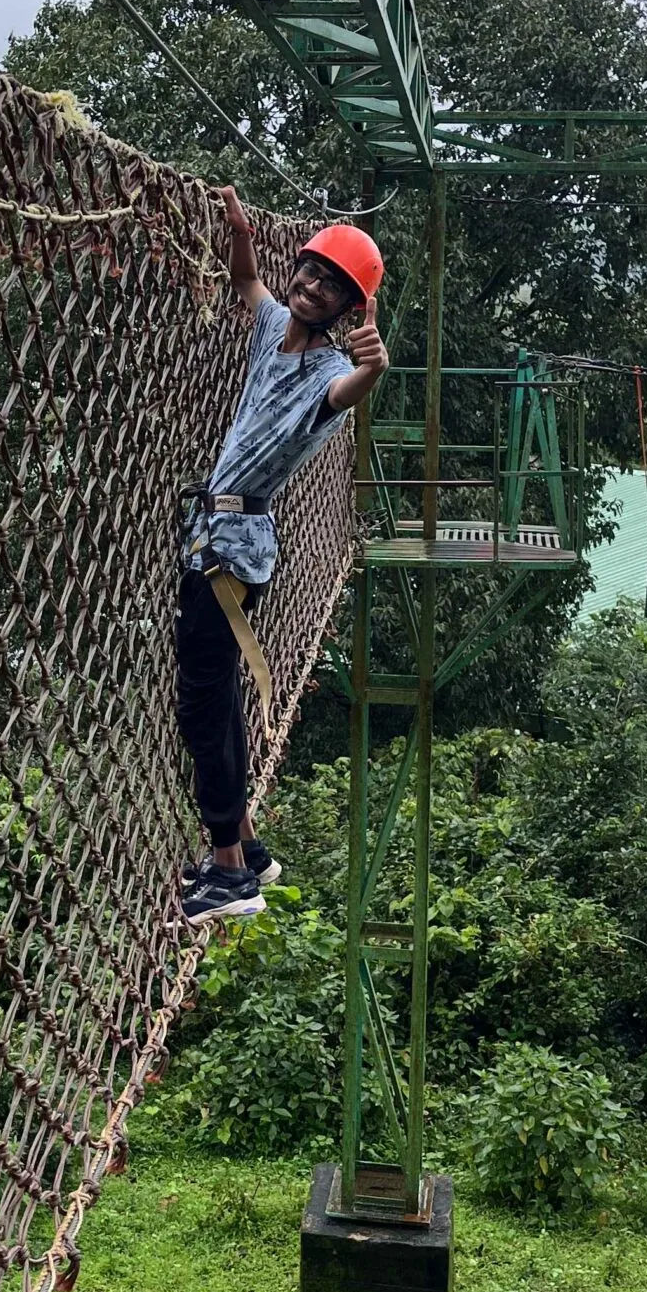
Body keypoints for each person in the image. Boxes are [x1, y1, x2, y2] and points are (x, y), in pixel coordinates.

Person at [177, 186, 387, 926]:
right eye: (311, 271)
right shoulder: (273, 328)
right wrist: (239, 232)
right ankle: (244, 847)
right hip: (217, 537)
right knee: (219, 695)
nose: (313, 285)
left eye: (333, 285)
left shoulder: (329, 373)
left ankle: (230, 872)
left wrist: (375, 365)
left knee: (203, 704)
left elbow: (353, 388)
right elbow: (247, 283)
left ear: (347, 310)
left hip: (232, 548)